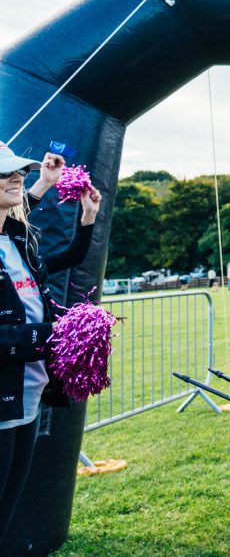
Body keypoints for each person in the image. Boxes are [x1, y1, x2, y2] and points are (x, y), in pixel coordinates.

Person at [0, 145, 101, 542]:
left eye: (18, 172)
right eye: (5, 173)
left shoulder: (17, 241)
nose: (15, 177)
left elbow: (73, 254)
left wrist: (87, 216)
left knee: (6, 512)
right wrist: (50, 337)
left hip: (26, 399)